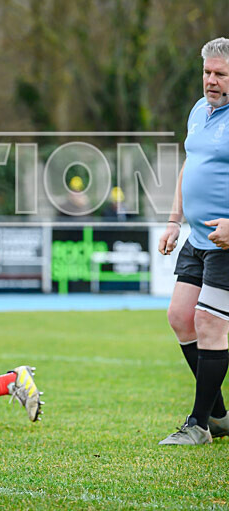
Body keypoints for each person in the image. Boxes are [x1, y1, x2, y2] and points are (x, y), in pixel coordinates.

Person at [158, 37, 229, 445]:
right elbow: (191, 164)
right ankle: (218, 414)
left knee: (209, 323)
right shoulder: (199, 111)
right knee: (181, 318)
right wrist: (173, 220)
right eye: (207, 72)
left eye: (220, 74)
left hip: (226, 243)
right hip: (197, 238)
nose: (211, 81)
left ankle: (198, 424)